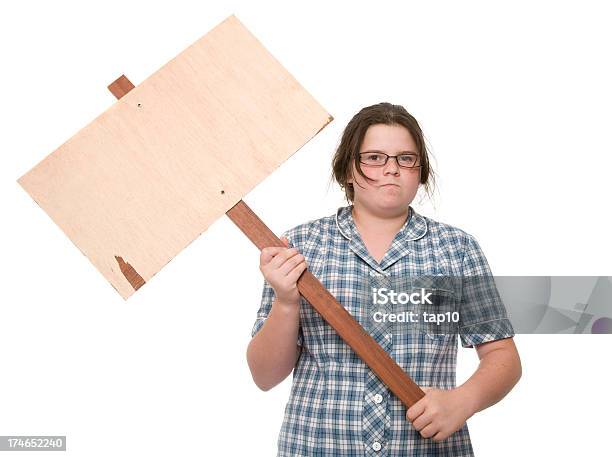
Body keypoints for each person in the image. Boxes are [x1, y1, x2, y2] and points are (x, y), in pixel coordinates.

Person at [246, 102, 522, 456]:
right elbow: (265, 376)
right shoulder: (300, 247)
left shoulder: (457, 249)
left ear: (419, 173)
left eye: (406, 158)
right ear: (347, 169)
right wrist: (286, 302)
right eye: (374, 157)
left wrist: (463, 401)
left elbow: (503, 356)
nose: (392, 168)